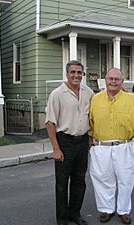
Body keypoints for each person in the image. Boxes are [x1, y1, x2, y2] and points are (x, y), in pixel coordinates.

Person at [88, 68, 134, 224]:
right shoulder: (96, 99)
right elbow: (90, 121)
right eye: (110, 78)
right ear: (105, 80)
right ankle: (107, 209)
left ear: (122, 82)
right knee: (102, 179)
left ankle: (123, 210)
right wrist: (89, 138)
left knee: (126, 179)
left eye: (117, 79)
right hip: (101, 147)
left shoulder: (131, 99)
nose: (113, 81)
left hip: (125, 145)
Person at [45, 60, 94, 225]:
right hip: (64, 142)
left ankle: (75, 214)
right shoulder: (57, 94)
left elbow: (92, 117)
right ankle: (62, 219)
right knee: (62, 184)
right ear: (67, 74)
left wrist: (90, 139)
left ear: (82, 74)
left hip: (83, 142)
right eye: (73, 72)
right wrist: (56, 149)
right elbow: (50, 123)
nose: (76, 75)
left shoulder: (88, 92)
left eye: (79, 72)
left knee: (79, 181)